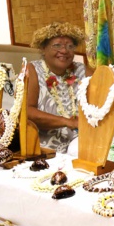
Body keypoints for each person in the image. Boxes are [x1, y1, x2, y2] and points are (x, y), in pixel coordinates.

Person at [26, 22, 93, 153]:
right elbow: (26, 111)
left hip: (83, 142)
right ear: (43, 49)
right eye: (57, 45)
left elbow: (106, 91)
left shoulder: (80, 69)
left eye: (70, 46)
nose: (64, 51)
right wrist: (67, 122)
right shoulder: (32, 70)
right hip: (46, 150)